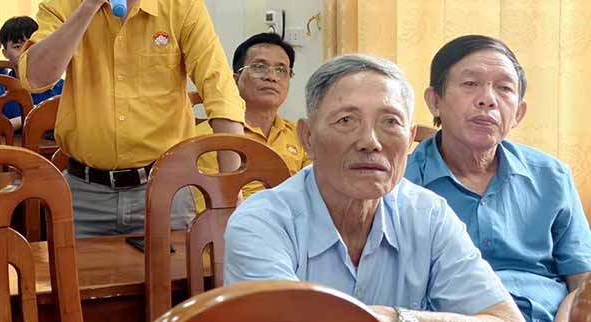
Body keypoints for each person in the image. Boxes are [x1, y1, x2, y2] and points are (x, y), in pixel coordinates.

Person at [223, 54, 524, 322]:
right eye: (346, 120)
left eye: (390, 122)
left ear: (409, 139)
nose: (370, 142)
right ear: (308, 138)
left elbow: (504, 318)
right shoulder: (262, 222)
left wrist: (396, 317)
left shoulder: (428, 215)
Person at [18, 0, 244, 237]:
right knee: (79, 275)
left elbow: (221, 94)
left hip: (166, 187)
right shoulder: (61, 7)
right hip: (84, 193)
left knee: (176, 275)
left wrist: (231, 189)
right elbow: (35, 78)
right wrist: (90, 5)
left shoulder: (183, 7)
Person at [405, 36, 591, 322]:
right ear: (435, 101)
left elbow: (582, 280)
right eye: (470, 84)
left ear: (518, 113)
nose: (487, 99)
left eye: (504, 88)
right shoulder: (400, 185)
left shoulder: (551, 176)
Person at [193, 33, 309, 211]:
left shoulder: (300, 135)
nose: (272, 77)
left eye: (281, 70)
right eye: (259, 67)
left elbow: (314, 196)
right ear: (235, 79)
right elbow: (208, 210)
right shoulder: (208, 137)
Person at [0, 16, 64, 129]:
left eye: (31, 45)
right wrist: (24, 119)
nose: (26, 51)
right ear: (5, 53)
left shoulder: (62, 89)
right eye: (17, 46)